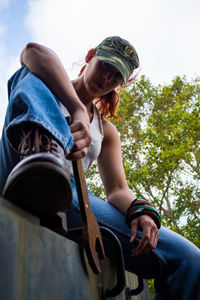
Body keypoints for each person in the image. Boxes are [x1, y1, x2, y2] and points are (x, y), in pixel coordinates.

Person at [0, 36, 199, 300]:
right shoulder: (45, 82)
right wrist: (77, 110)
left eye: (116, 76)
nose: (106, 78)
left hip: (67, 192)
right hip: (14, 165)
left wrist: (140, 210)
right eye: (105, 65)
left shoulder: (107, 131)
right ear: (90, 56)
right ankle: (43, 158)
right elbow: (33, 51)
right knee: (30, 70)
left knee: (189, 259)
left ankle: (50, 179)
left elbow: (117, 190)